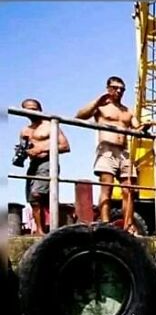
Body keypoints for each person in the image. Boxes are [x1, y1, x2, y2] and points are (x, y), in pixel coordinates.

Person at [75, 76, 144, 232]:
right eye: (115, 88)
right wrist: (99, 99)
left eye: (122, 89)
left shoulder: (128, 111)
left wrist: (144, 127)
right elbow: (80, 115)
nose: (119, 91)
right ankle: (105, 224)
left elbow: (137, 129)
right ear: (108, 88)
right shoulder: (101, 107)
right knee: (107, 188)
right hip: (107, 150)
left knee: (129, 191)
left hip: (125, 152)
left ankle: (129, 225)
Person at [17, 98, 70, 235]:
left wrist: (41, 149)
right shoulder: (25, 131)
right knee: (33, 200)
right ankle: (40, 230)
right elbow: (24, 151)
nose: (31, 111)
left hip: (47, 163)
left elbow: (65, 146)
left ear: (40, 109)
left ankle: (54, 227)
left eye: (34, 109)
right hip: (33, 165)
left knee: (37, 194)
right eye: (27, 109)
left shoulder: (49, 125)